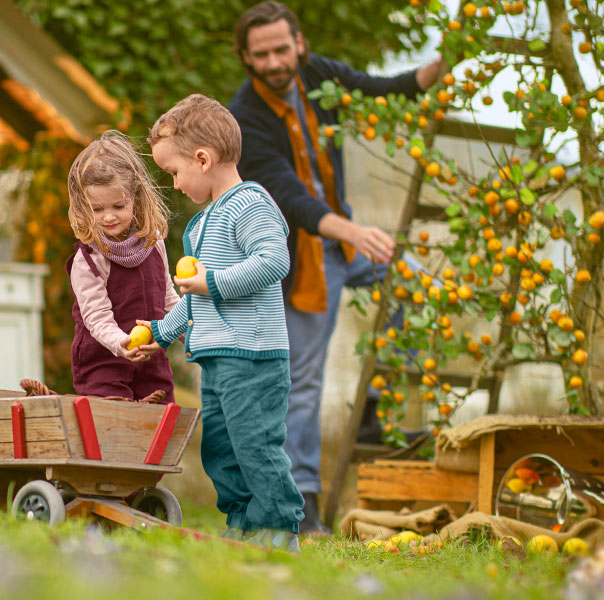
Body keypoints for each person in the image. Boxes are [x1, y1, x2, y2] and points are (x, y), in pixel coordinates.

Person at [228, 1, 444, 534]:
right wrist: (354, 231)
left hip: (344, 242)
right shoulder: (245, 120)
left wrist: (449, 60)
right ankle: (302, 505)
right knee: (302, 383)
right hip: (301, 257)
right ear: (246, 58)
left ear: (299, 43)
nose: (276, 62)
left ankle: (376, 401)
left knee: (413, 283)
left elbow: (386, 89)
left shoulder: (317, 75)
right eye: (263, 55)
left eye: (282, 49)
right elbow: (292, 199)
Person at [144, 94, 304, 552]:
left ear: (202, 158)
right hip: (217, 360)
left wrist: (212, 282)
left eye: (174, 172)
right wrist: (160, 333)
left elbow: (273, 261)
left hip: (253, 354)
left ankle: (278, 525)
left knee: (255, 444)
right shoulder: (201, 225)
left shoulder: (250, 203)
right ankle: (244, 524)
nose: (173, 185)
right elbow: (196, 303)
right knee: (222, 448)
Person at [62, 130, 179, 403]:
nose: (109, 216)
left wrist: (186, 331)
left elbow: (167, 298)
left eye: (118, 205)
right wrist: (121, 343)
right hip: (104, 364)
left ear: (135, 198)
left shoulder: (153, 243)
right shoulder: (89, 259)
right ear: (83, 207)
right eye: (97, 209)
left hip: (152, 356)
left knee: (161, 424)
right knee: (114, 430)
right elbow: (96, 318)